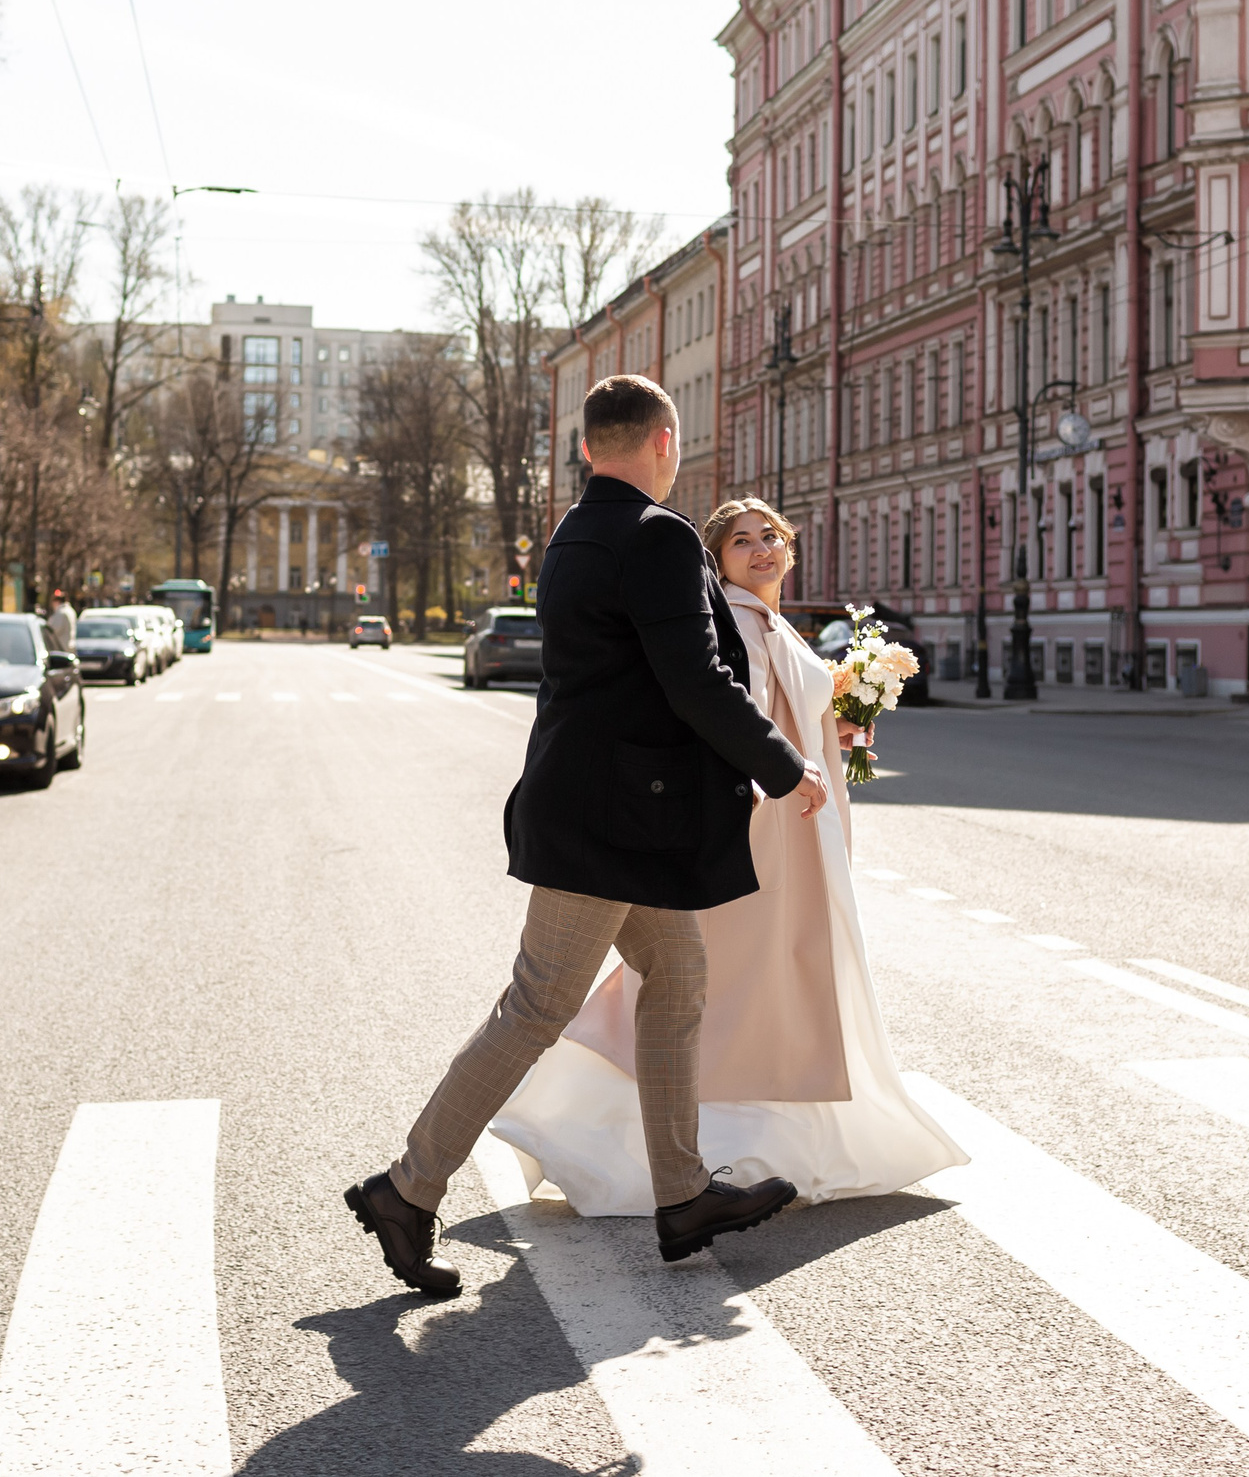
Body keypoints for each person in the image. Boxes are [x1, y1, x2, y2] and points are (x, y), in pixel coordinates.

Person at [344, 375, 831, 1299]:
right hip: (609, 820)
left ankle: (683, 1193)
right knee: (536, 1006)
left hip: (605, 810)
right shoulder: (655, 535)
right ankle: (405, 1189)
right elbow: (693, 676)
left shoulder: (574, 532)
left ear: (586, 448)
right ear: (664, 439)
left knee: (678, 976)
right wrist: (781, 763)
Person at [492, 499, 966, 1216]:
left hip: (799, 827)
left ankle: (741, 1146)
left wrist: (841, 719)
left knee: (765, 980)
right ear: (718, 559)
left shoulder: (778, 627)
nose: (762, 549)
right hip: (758, 830)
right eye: (742, 541)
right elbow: (726, 713)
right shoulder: (734, 623)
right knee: (729, 984)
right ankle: (645, 1141)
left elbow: (785, 715)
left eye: (771, 537)